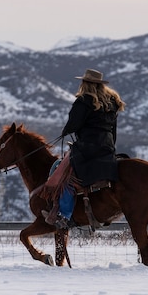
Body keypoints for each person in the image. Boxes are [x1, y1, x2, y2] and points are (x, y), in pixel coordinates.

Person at [50, 69, 125, 229]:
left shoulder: (83, 101)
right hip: (107, 148)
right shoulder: (112, 102)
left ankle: (65, 216)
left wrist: (65, 131)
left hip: (87, 149)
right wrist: (110, 148)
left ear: (85, 83)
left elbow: (74, 124)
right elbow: (113, 130)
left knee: (65, 175)